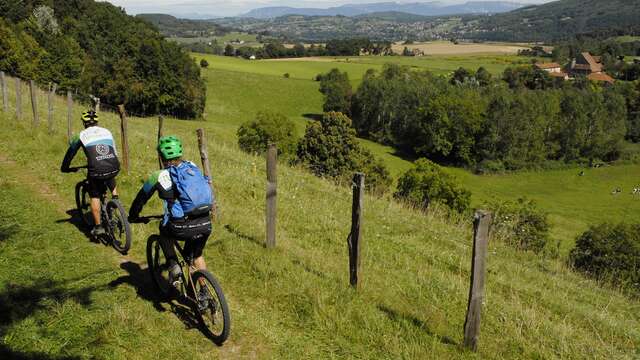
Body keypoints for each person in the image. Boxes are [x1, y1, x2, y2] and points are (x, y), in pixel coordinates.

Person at [128, 135, 214, 309]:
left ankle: (173, 266)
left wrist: (133, 216)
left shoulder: (158, 175)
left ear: (161, 156)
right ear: (180, 153)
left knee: (164, 229)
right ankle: (204, 291)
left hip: (180, 226)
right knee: (196, 255)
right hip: (205, 222)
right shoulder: (192, 167)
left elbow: (141, 199)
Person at [61, 110, 120, 237]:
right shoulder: (107, 131)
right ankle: (116, 199)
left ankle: (98, 226)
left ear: (84, 123)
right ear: (97, 122)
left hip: (96, 169)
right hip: (114, 165)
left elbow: (70, 153)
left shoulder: (81, 135)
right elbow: (115, 151)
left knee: (95, 195)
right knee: (110, 172)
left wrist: (65, 167)